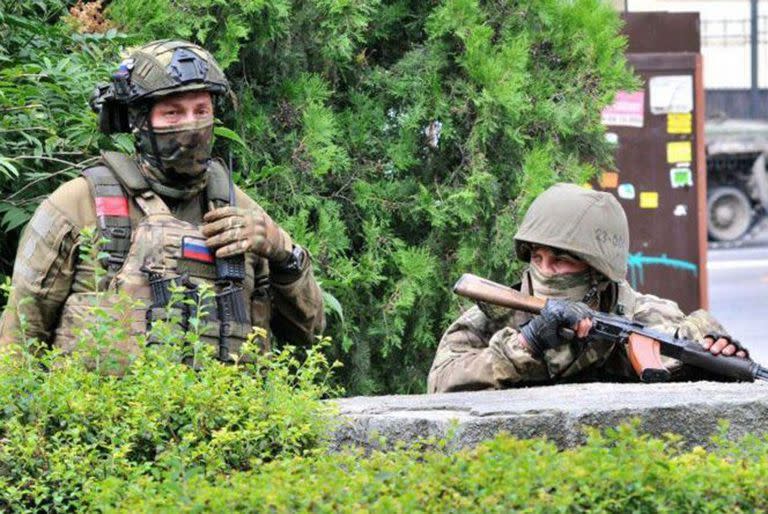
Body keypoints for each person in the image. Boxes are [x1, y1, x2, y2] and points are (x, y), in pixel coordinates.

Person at [0, 40, 324, 367]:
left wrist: (285, 254)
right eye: (173, 113)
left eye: (201, 110)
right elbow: (16, 343)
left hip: (224, 417)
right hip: (99, 416)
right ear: (140, 121)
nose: (192, 125)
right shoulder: (77, 205)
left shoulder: (240, 211)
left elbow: (309, 333)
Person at [428, 183, 749, 393]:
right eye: (536, 257)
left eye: (560, 260)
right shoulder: (492, 317)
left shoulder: (646, 316)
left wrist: (712, 362)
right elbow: (439, 385)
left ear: (597, 272)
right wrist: (526, 344)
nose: (544, 270)